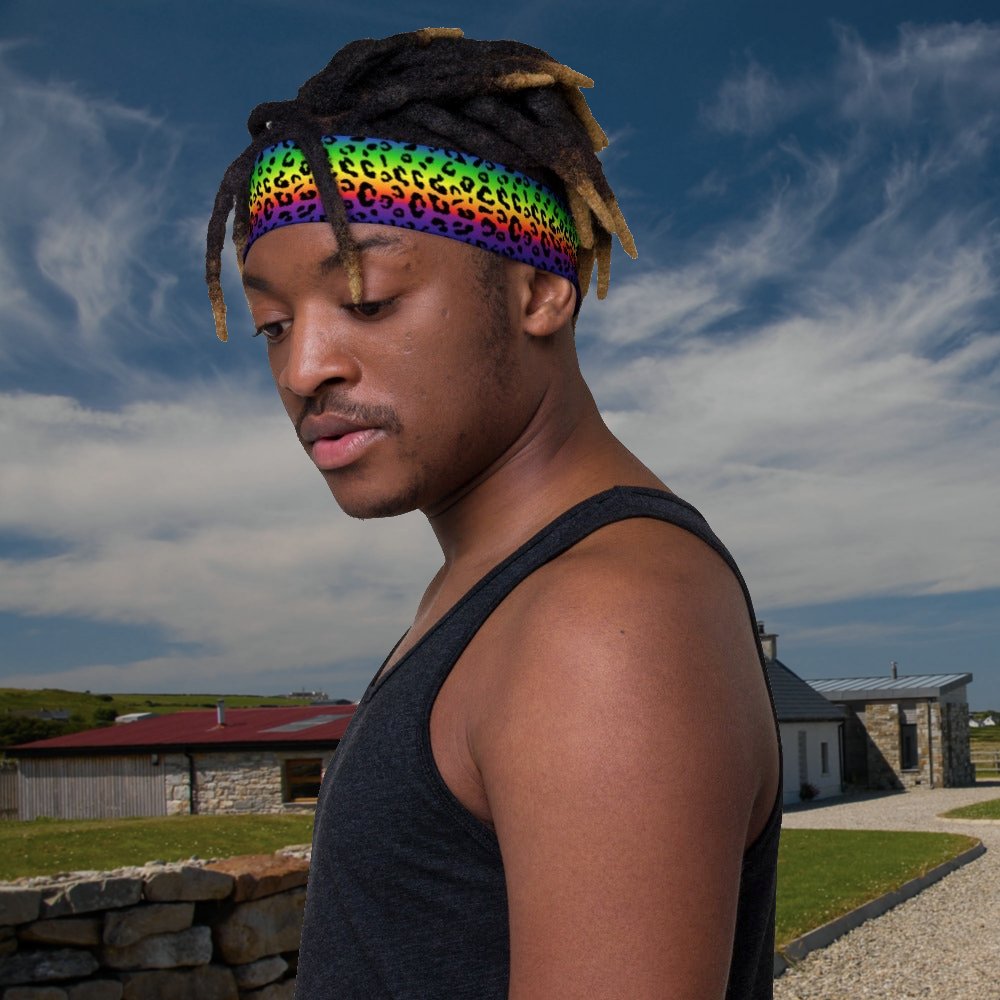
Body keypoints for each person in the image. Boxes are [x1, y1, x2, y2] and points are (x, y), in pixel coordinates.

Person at [206, 27, 781, 999]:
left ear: (540, 287)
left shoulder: (599, 627)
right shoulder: (488, 590)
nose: (303, 370)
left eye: (368, 298)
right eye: (272, 324)